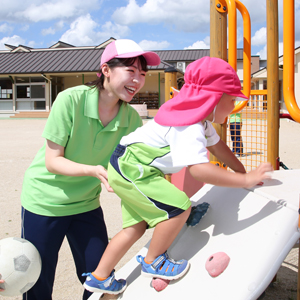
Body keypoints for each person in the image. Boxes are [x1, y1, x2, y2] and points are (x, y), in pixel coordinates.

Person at [83, 56, 273, 295]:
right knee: (179, 207)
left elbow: (218, 147)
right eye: (232, 99)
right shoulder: (188, 125)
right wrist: (245, 180)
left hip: (130, 166)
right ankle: (154, 262)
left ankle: (100, 277)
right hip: (134, 169)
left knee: (135, 227)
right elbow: (199, 169)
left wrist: (241, 170)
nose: (234, 105)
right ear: (213, 99)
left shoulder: (198, 121)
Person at [20, 39, 161, 300]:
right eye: (131, 71)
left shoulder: (130, 118)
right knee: (37, 284)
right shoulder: (70, 100)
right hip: (43, 202)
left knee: (101, 278)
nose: (138, 80)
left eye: (143, 74)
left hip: (85, 205)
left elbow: (137, 163)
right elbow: (53, 161)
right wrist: (93, 170)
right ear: (106, 70)